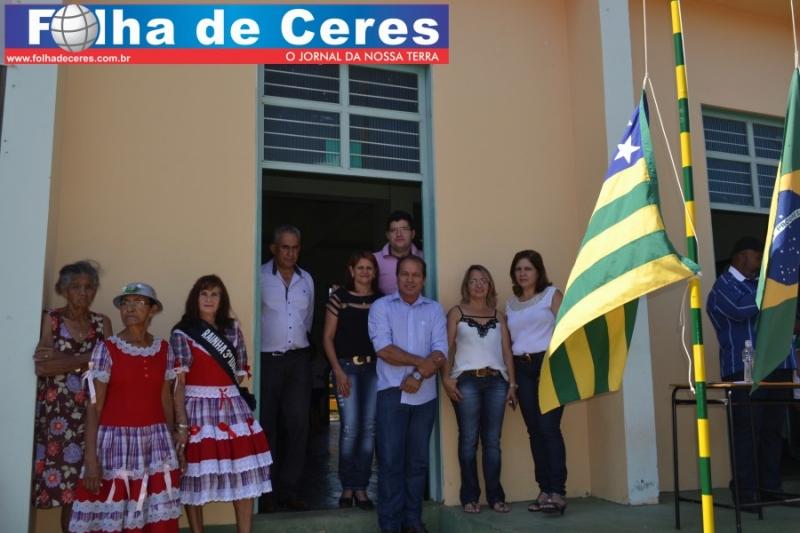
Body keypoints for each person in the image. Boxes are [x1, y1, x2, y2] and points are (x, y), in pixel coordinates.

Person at [69, 282, 182, 532]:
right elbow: (94, 406)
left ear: (152, 310)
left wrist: (171, 444)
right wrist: (91, 458)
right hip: (115, 446)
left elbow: (165, 398)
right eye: (125, 303)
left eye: (138, 302)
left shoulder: (164, 349)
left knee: (153, 515)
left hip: (155, 445)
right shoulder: (107, 349)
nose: (130, 308)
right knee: (113, 512)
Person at [171, 275, 272, 532]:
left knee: (243, 473)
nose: (209, 299)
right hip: (197, 408)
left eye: (214, 294)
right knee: (195, 475)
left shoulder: (232, 328)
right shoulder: (183, 331)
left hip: (231, 406)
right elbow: (179, 382)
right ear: (195, 298)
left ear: (221, 299)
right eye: (203, 294)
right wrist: (180, 422)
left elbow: (239, 372)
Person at [707, 236, 797, 505]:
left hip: (779, 365)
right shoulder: (723, 286)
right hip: (745, 370)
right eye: (757, 257)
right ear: (740, 256)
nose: (760, 263)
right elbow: (741, 309)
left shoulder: (762, 286)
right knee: (748, 431)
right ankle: (746, 492)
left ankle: (771, 489)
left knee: (772, 431)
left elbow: (788, 319)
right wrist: (773, 290)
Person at [31, 261, 112, 532]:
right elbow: (42, 367)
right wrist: (87, 358)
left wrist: (63, 360)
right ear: (63, 289)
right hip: (58, 418)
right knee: (68, 491)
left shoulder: (102, 323)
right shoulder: (51, 319)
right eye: (76, 287)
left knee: (85, 491)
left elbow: (109, 366)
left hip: (92, 415)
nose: (83, 292)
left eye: (89, 287)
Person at [368, 255, 447, 533]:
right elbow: (384, 349)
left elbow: (440, 351)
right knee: (391, 462)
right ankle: (390, 525)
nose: (410, 280)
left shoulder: (434, 309)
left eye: (416, 275)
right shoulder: (381, 307)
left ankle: (412, 521)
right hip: (391, 393)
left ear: (423, 279)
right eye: (405, 274)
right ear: (397, 277)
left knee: (417, 463)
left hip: (425, 397)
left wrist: (417, 375)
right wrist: (420, 364)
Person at [442, 265, 517, 514]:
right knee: (468, 440)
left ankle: (495, 497)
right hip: (466, 381)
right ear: (466, 285)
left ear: (490, 285)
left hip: (496, 382)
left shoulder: (499, 316)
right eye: (474, 280)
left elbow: (507, 351)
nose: (479, 285)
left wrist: (512, 384)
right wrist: (446, 378)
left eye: (484, 280)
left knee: (492, 442)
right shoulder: (456, 313)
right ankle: (469, 497)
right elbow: (448, 348)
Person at [505, 250, 567, 515]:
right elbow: (509, 342)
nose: (522, 273)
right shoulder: (510, 304)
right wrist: (512, 382)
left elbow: (566, 330)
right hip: (522, 368)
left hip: (548, 365)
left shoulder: (552, 295)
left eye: (528, 268)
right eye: (518, 269)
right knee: (535, 431)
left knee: (549, 428)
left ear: (538, 271)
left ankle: (558, 492)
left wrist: (558, 366)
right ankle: (544, 490)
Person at [259, 225, 315, 511]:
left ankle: (289, 489)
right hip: (268, 361)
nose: (290, 253)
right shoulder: (259, 276)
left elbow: (308, 319)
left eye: (295, 248)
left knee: (298, 425)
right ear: (273, 248)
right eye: (285, 247)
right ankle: (266, 491)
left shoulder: (307, 280)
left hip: (298, 361)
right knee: (266, 425)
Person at [322, 252, 382, 510]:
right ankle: (347, 486)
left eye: (369, 268)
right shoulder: (339, 298)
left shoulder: (381, 301)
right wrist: (337, 370)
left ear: (375, 272)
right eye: (360, 267)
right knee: (349, 429)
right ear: (351, 270)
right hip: (346, 369)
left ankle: (361, 488)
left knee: (368, 429)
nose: (365, 272)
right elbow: (327, 338)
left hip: (375, 370)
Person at [374, 210, 424, 295]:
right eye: (393, 230)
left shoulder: (424, 257)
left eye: (404, 229)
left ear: (412, 234)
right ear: (388, 235)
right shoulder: (374, 260)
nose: (399, 234)